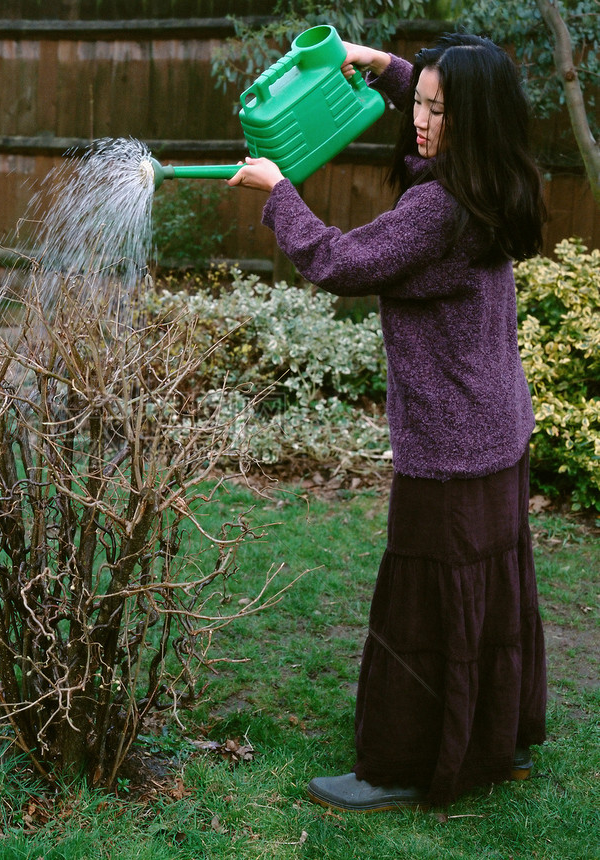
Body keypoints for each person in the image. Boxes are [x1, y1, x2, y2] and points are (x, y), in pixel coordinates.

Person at [228, 33, 548, 810]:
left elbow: (342, 261)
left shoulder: (439, 207)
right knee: (492, 593)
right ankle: (495, 741)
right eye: (422, 103)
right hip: (497, 429)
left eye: (438, 109)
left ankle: (404, 766)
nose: (421, 119)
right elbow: (451, 104)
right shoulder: (500, 177)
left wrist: (279, 194)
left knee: (423, 606)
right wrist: (390, 68)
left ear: (472, 119)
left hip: (450, 441)